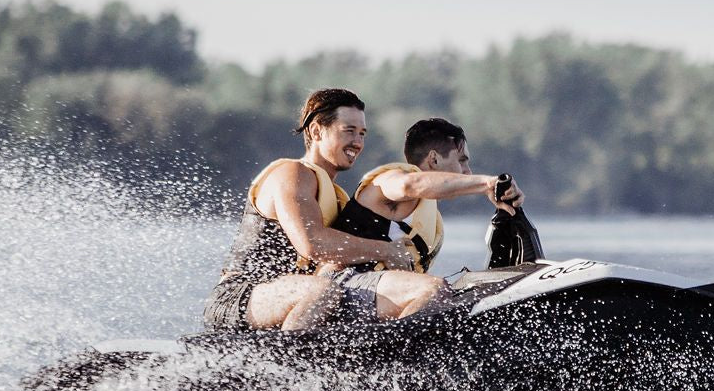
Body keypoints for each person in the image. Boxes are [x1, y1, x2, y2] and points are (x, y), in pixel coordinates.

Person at [203, 88, 417, 332]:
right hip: (238, 298)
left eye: (362, 134)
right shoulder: (292, 173)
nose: (358, 143)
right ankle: (286, 365)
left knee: (348, 294)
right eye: (349, 131)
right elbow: (312, 244)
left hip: (294, 302)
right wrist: (385, 251)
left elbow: (330, 264)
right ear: (316, 131)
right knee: (324, 291)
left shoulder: (338, 199)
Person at [325, 117, 524, 319]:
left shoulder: (428, 213)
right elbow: (409, 185)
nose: (468, 172)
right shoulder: (390, 180)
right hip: (343, 284)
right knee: (434, 288)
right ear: (434, 159)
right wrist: (487, 183)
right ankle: (399, 348)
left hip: (374, 293)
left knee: (466, 293)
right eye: (462, 161)